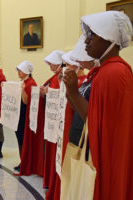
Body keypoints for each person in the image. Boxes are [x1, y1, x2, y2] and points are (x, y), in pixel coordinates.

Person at [63, 11, 133, 200]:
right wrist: (72, 92)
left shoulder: (114, 73)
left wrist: (73, 92)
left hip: (106, 155)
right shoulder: (102, 71)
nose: (86, 41)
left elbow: (96, 122)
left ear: (108, 38)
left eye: (92, 36)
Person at [46, 47, 88, 200]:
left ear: (76, 65)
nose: (63, 68)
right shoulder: (71, 81)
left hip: (73, 128)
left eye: (66, 65)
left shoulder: (82, 82)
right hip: (63, 126)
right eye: (63, 65)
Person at [14, 61, 44, 176]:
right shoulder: (23, 82)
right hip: (19, 116)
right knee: (20, 139)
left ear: (26, 71)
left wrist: (22, 89)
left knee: (22, 140)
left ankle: (24, 162)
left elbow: (26, 101)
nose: (18, 72)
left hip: (24, 117)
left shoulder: (30, 83)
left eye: (20, 70)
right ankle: (22, 161)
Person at [40, 50, 64, 189]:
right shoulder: (54, 77)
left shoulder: (59, 77)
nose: (49, 66)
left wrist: (46, 92)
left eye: (51, 63)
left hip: (55, 122)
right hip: (50, 120)